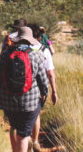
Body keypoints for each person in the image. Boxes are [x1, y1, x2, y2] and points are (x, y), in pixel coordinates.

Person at [0, 25, 49, 152]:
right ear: (29, 40)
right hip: (30, 104)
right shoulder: (36, 55)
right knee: (23, 134)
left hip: (8, 102)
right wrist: (44, 94)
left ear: (17, 39)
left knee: (14, 127)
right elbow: (43, 81)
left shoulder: (5, 54)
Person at [28, 24, 58, 152]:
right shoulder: (43, 49)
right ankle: (34, 141)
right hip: (38, 88)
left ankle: (24, 140)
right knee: (35, 114)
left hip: (18, 88)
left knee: (20, 117)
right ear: (40, 37)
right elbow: (50, 73)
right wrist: (53, 91)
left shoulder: (17, 48)